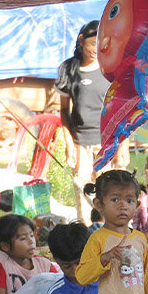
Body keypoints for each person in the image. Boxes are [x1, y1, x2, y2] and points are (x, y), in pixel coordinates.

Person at [55, 21, 129, 224]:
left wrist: (124, 145)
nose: (97, 50)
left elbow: (122, 109)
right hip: (81, 143)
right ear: (81, 41)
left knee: (110, 195)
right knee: (83, 194)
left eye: (102, 44)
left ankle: (111, 235)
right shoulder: (68, 69)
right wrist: (70, 145)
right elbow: (63, 111)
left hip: (109, 142)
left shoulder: (112, 68)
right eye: (92, 44)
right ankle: (87, 237)